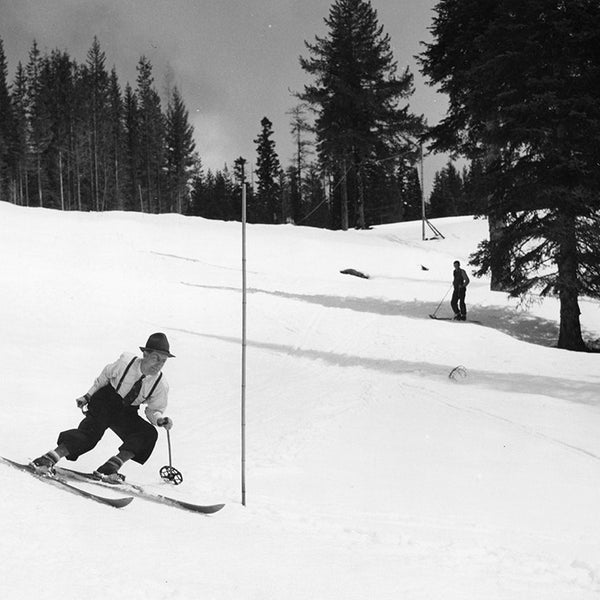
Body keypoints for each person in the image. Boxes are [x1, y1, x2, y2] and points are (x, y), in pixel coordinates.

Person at [31, 332, 175, 483]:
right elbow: (105, 377)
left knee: (147, 434)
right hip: (106, 400)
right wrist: (88, 396)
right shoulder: (126, 362)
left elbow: (153, 409)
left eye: (163, 361)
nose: (158, 364)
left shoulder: (160, 384)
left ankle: (109, 468)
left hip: (126, 410)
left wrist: (160, 420)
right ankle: (46, 460)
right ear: (145, 354)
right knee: (90, 435)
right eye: (155, 358)